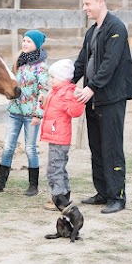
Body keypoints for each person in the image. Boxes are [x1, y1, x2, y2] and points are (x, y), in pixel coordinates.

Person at [72, 0, 132, 214]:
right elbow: (82, 62)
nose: (85, 8)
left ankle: (117, 197)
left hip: (111, 98)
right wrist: (66, 83)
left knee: (112, 147)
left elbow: (110, 63)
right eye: (84, 4)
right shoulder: (92, 32)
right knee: (96, 147)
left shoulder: (116, 28)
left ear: (101, 2)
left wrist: (91, 87)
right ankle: (102, 192)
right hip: (92, 99)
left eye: (88, 4)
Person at [0, 29, 49, 196]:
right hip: (15, 111)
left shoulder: (41, 67)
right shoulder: (19, 63)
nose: (24, 44)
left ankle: (33, 185)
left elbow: (44, 92)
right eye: (24, 40)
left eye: (29, 41)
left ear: (36, 44)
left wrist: (38, 114)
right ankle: (1, 182)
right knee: (8, 147)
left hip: (31, 116)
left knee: (30, 148)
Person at [39, 59, 85, 211]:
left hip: (60, 138)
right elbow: (51, 109)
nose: (50, 80)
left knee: (54, 169)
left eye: (53, 77)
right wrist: (43, 102)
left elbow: (75, 112)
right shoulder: (55, 92)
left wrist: (79, 100)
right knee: (58, 167)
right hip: (55, 136)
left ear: (64, 78)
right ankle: (63, 195)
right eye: (50, 77)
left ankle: (58, 199)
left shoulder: (67, 93)